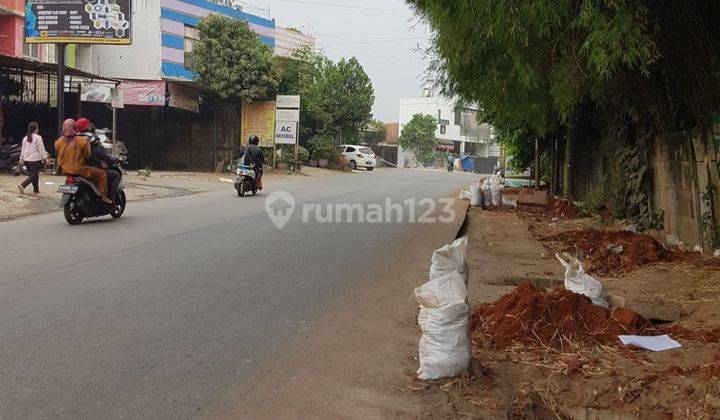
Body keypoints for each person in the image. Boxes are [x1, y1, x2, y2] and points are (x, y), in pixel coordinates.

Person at [55, 119, 112, 204]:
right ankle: (104, 197)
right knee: (102, 174)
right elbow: (87, 156)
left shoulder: (58, 142)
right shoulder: (82, 141)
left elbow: (59, 154)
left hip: (64, 170)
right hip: (80, 170)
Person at [78, 119, 120, 199]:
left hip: (75, 169)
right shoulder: (94, 143)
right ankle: (108, 198)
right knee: (115, 175)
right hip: (89, 170)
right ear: (93, 133)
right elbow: (104, 156)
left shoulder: (74, 141)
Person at [17, 122, 48, 194]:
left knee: (34, 174)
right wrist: (45, 158)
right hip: (35, 160)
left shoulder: (25, 138)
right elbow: (41, 149)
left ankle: (36, 190)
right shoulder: (38, 137)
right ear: (35, 129)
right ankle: (23, 185)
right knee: (33, 175)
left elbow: (23, 150)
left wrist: (21, 159)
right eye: (37, 128)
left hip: (27, 159)